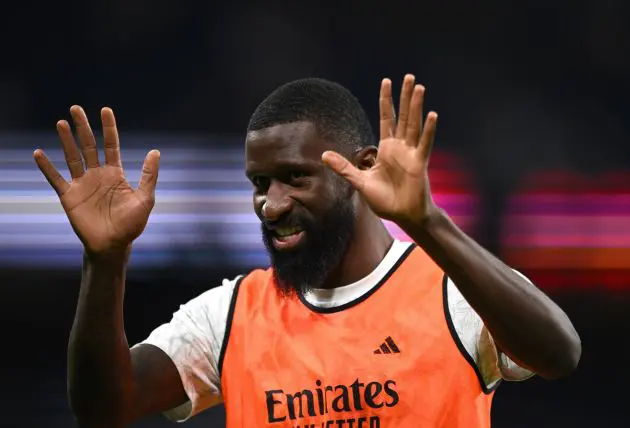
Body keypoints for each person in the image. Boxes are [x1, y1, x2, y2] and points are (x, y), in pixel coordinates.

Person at [34, 75, 581, 428]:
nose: (270, 205)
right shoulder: (229, 315)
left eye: (295, 178)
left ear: (362, 168)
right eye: (259, 183)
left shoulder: (448, 290)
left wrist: (428, 223)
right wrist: (104, 262)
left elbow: (559, 354)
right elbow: (103, 409)